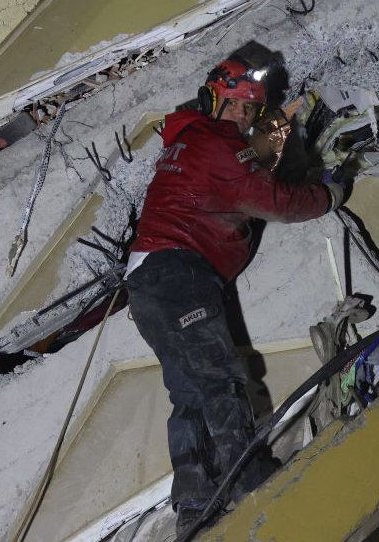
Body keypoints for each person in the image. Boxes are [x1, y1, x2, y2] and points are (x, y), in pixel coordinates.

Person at [125, 57, 347, 535]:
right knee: (221, 380)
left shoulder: (188, 142)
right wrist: (328, 196)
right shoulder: (219, 144)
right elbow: (273, 202)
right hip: (178, 271)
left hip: (147, 284)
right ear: (215, 100)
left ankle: (193, 504)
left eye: (252, 111)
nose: (245, 118)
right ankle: (248, 477)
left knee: (188, 393)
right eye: (239, 107)